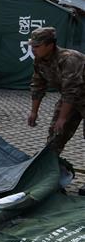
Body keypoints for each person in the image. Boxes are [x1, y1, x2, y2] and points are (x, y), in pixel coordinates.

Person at [27, 26, 85, 155]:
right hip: (72, 99)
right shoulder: (39, 61)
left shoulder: (69, 59)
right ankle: (48, 162)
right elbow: (38, 85)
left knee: (61, 123)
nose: (33, 49)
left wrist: (63, 118)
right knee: (55, 136)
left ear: (50, 45)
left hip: (74, 94)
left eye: (37, 46)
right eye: (32, 46)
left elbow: (71, 90)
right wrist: (34, 112)